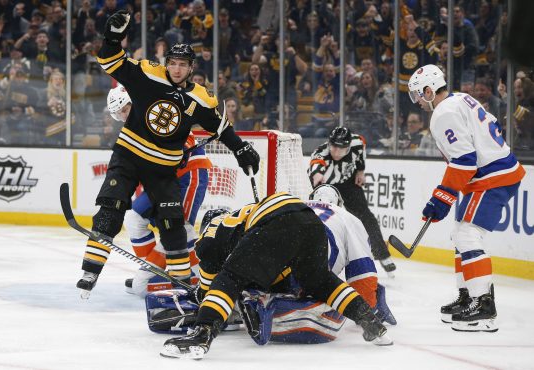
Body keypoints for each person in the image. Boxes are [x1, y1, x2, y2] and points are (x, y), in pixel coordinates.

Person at [76, 10, 260, 298]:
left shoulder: (200, 97)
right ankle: (91, 269)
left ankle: (181, 281)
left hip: (163, 168)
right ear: (167, 64)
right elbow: (111, 61)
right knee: (112, 207)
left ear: (190, 68)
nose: (176, 69)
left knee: (173, 224)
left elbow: (220, 126)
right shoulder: (147, 75)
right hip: (129, 155)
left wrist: (241, 148)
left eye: (182, 65)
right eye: (172, 63)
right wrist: (112, 38)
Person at [160, 192, 392, 359]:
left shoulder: (209, 237)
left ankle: (202, 335)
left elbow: (210, 288)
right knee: (320, 281)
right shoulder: (240, 215)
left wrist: (203, 302)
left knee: (229, 278)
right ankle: (369, 321)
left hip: (278, 222)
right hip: (309, 222)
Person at [407, 64, 525, 332]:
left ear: (428, 90)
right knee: (459, 234)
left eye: (417, 95)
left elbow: (464, 161)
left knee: (467, 234)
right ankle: (467, 296)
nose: (417, 102)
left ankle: (483, 304)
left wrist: (442, 198)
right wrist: (445, 196)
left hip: (493, 176)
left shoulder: (442, 113)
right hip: (495, 171)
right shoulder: (460, 98)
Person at [106, 85, 212, 297]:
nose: (123, 117)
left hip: (188, 176)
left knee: (178, 228)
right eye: (119, 115)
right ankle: (157, 271)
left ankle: (203, 280)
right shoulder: (133, 129)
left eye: (125, 110)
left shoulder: (156, 110)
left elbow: (185, 133)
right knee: (134, 218)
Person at [308, 127, 396, 275]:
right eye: (333, 146)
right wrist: (317, 175)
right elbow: (316, 165)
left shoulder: (357, 142)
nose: (335, 152)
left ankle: (382, 254)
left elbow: (361, 153)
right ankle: (319, 259)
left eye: (340, 149)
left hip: (348, 184)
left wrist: (360, 171)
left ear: (348, 147)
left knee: (366, 217)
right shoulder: (321, 152)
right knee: (325, 223)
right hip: (328, 189)